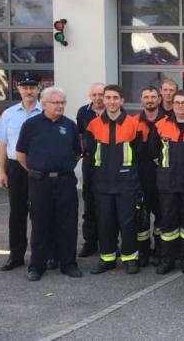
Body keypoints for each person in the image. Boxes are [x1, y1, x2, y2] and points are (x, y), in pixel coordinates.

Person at [15, 86, 82, 281]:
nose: (60, 106)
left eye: (63, 102)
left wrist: (59, 167)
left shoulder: (70, 125)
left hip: (65, 181)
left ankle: (68, 263)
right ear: (44, 104)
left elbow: (77, 153)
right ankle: (37, 265)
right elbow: (21, 155)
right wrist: (37, 171)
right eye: (56, 102)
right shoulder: (31, 125)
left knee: (68, 224)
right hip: (39, 182)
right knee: (40, 223)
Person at [0, 72, 51, 271]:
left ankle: (43, 255)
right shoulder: (9, 114)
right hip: (15, 168)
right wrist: (2, 171)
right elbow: (2, 144)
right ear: (18, 89)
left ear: (38, 89)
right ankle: (16, 256)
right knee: (17, 213)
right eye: (25, 87)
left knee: (41, 212)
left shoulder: (46, 111)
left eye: (32, 87)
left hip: (38, 166)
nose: (29, 90)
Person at [85, 84, 144, 275]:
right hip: (102, 183)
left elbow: (140, 156)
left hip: (127, 183)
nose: (111, 101)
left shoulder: (134, 124)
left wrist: (137, 183)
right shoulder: (93, 125)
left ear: (122, 101)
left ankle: (130, 258)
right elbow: (91, 157)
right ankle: (107, 258)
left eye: (114, 98)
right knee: (105, 221)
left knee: (127, 222)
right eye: (107, 97)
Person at [149, 91, 184, 274]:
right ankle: (167, 259)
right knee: (168, 222)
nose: (180, 106)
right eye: (177, 102)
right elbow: (152, 151)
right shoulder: (161, 125)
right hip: (168, 183)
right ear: (172, 104)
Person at [135, 86, 166, 267]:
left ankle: (160, 252)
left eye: (153, 97)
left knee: (162, 218)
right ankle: (143, 253)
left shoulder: (168, 121)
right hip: (140, 179)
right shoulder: (133, 122)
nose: (150, 100)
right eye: (146, 97)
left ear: (159, 99)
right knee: (141, 219)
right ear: (141, 99)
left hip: (162, 179)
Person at [76, 82, 105, 258]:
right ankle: (90, 242)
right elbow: (80, 135)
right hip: (90, 164)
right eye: (94, 95)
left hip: (108, 165)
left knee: (108, 206)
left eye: (100, 94)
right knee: (90, 204)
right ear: (90, 96)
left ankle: (108, 242)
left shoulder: (114, 111)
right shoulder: (83, 112)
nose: (98, 98)